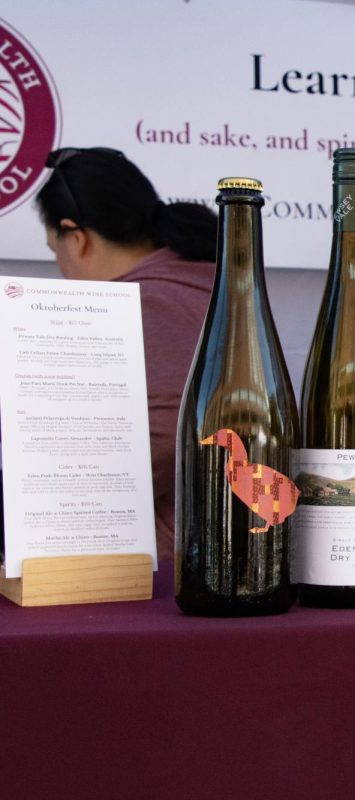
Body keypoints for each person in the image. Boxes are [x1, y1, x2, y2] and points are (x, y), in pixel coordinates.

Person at [36, 147, 217, 562]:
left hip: (163, 572)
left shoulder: (142, 305)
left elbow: (171, 431)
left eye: (54, 250)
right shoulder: (217, 282)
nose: (60, 266)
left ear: (76, 237)